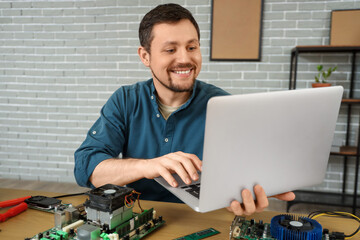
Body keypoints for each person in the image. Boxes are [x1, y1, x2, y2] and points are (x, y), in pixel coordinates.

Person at [74, 3, 295, 216]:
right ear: (145, 56)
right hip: (136, 217)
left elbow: (248, 169)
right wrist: (148, 166)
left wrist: (245, 195)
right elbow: (87, 168)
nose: (185, 59)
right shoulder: (125, 100)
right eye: (170, 49)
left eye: (192, 47)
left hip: (202, 220)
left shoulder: (225, 106)